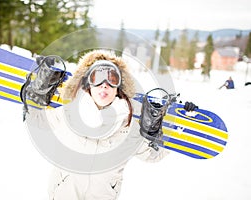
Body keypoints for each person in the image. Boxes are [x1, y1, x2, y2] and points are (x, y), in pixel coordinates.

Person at [27, 50, 197, 200]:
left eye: (112, 79)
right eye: (97, 78)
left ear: (119, 87)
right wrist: (36, 91)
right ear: (88, 84)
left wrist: (168, 126)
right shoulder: (68, 112)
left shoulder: (129, 126)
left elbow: (152, 155)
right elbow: (36, 120)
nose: (104, 85)